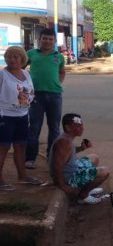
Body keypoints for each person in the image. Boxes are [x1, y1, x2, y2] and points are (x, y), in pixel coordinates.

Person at [0, 46, 43, 191]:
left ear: (22, 59)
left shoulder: (26, 74)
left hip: (23, 116)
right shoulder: (2, 75)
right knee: (3, 147)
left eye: (16, 57)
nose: (12, 60)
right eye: (9, 57)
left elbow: (29, 91)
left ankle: (22, 176)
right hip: (5, 116)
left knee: (20, 146)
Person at [25, 28, 66, 169]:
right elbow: (20, 68)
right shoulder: (31, 54)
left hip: (55, 96)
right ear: (39, 40)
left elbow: (61, 72)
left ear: (54, 41)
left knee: (54, 128)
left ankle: (52, 158)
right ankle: (30, 158)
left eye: (50, 39)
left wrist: (56, 83)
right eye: (44, 38)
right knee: (34, 127)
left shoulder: (59, 56)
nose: (47, 41)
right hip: (36, 96)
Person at [48, 113, 110, 204]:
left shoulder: (67, 138)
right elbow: (58, 165)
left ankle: (86, 188)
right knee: (104, 172)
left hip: (73, 169)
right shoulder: (64, 142)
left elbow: (67, 155)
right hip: (69, 178)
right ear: (68, 127)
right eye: (78, 126)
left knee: (94, 157)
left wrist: (81, 148)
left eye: (82, 125)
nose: (82, 128)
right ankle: (83, 196)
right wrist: (62, 185)